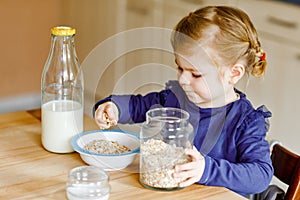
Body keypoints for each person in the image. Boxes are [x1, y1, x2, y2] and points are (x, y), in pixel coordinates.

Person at [93, 6, 273, 197]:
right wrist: (113, 107)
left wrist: (206, 170)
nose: (183, 80)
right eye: (180, 68)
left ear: (233, 73)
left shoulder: (246, 121)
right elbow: (139, 106)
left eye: (195, 74)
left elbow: (260, 175)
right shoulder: (175, 98)